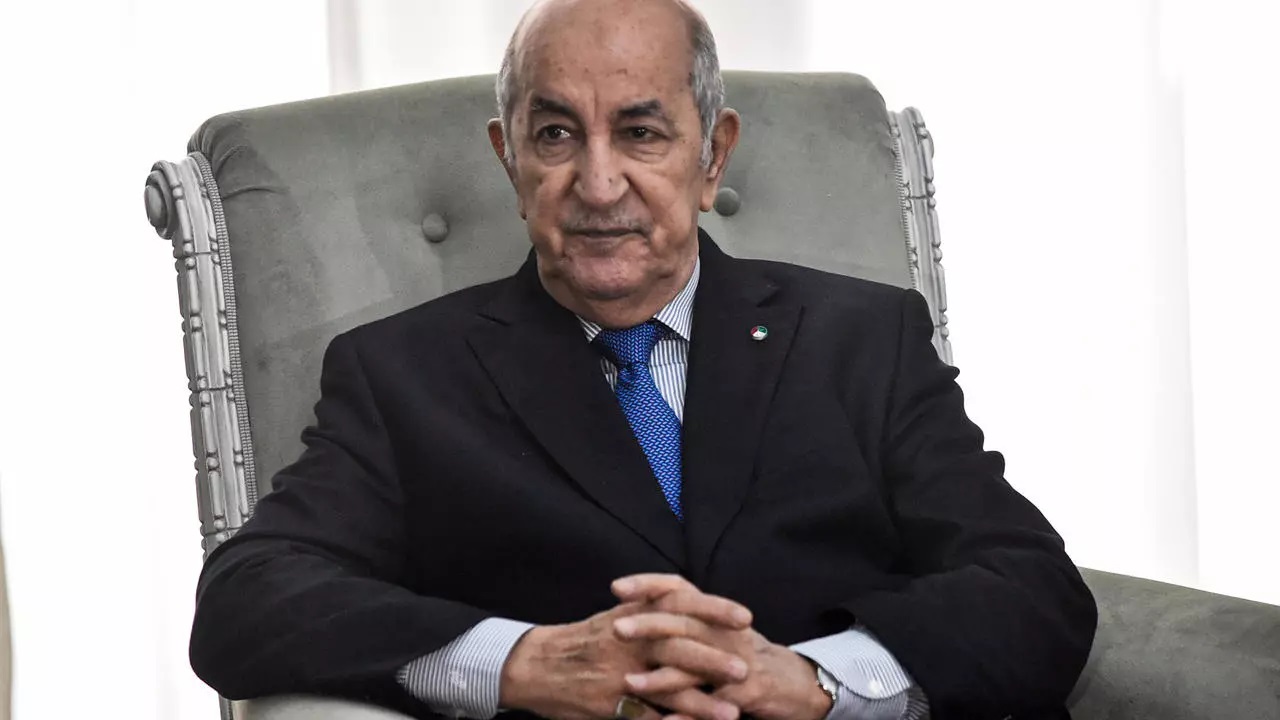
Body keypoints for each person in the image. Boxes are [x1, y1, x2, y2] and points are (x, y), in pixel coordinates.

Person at [188, 1, 1097, 718]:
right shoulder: (402, 375)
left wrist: (816, 684)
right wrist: (523, 662)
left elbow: (1033, 589)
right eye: (555, 136)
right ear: (508, 161)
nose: (597, 184)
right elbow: (247, 599)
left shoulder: (864, 338)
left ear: (713, 156)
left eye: (641, 133)